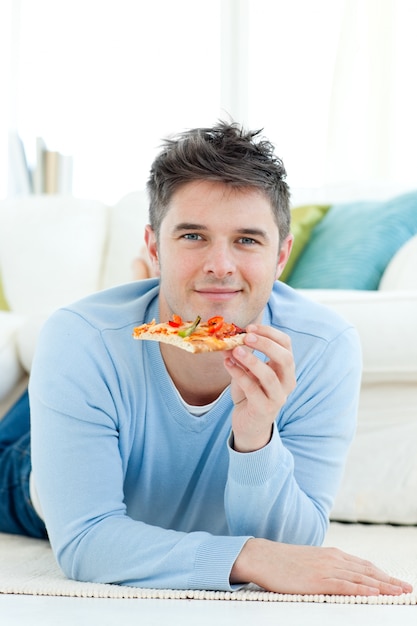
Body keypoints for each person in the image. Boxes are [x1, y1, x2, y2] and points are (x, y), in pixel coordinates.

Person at [0, 121, 412, 597]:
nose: (220, 265)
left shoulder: (325, 347)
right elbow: (86, 540)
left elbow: (293, 553)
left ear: (282, 256)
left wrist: (256, 436)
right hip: (27, 474)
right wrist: (246, 557)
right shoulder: (77, 336)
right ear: (154, 246)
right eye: (193, 237)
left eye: (247, 240)